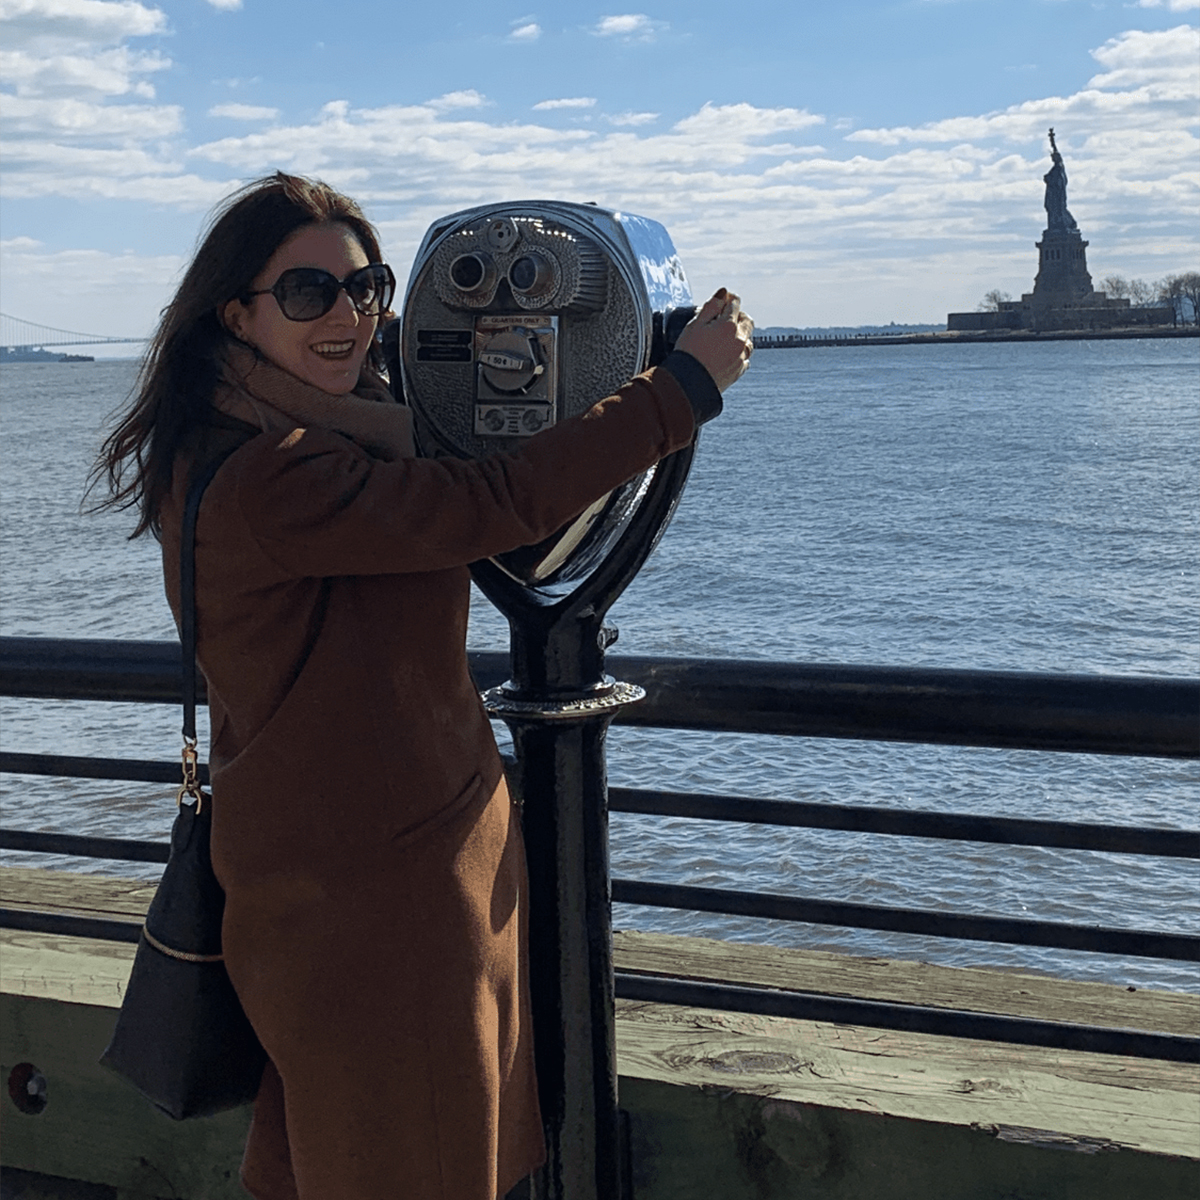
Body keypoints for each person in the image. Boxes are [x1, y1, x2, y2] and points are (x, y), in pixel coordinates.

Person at [95, 172, 753, 1200]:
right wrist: (680, 390)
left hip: (351, 881)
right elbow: (496, 503)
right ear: (236, 312)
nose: (349, 316)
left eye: (369, 290)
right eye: (308, 293)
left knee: (341, 1160)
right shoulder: (279, 479)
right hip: (376, 910)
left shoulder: (283, 439)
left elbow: (454, 502)